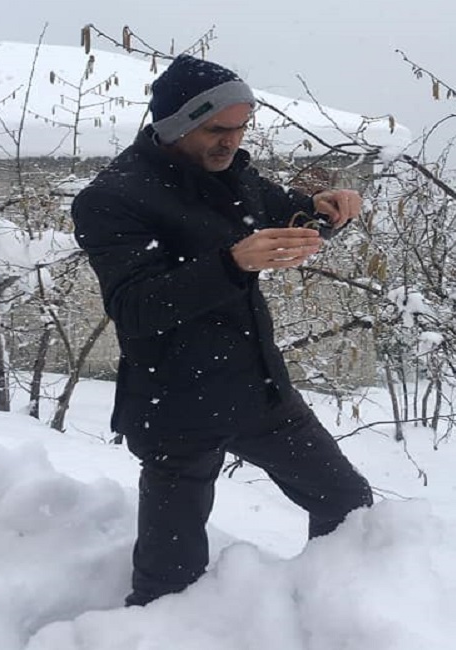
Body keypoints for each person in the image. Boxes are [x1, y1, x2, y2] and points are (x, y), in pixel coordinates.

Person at [71, 54, 373, 607]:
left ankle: (331, 618)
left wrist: (325, 210)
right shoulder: (112, 199)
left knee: (348, 505)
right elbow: (134, 307)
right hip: (176, 404)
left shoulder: (234, 175)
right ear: (174, 124)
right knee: (171, 578)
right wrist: (233, 263)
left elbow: (289, 215)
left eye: (240, 128)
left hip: (257, 389)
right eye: (216, 129)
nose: (230, 142)